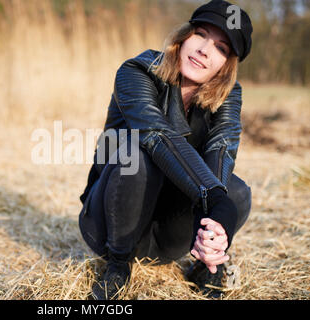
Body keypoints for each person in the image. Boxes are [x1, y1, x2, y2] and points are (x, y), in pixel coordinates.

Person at [78, 0, 253, 300]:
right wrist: (211, 195)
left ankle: (206, 265)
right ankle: (118, 266)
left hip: (169, 237)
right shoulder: (138, 71)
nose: (205, 50)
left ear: (228, 64)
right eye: (200, 34)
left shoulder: (228, 94)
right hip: (112, 223)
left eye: (222, 48)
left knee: (235, 192)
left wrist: (216, 218)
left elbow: (222, 146)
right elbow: (156, 135)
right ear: (184, 36)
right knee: (138, 157)